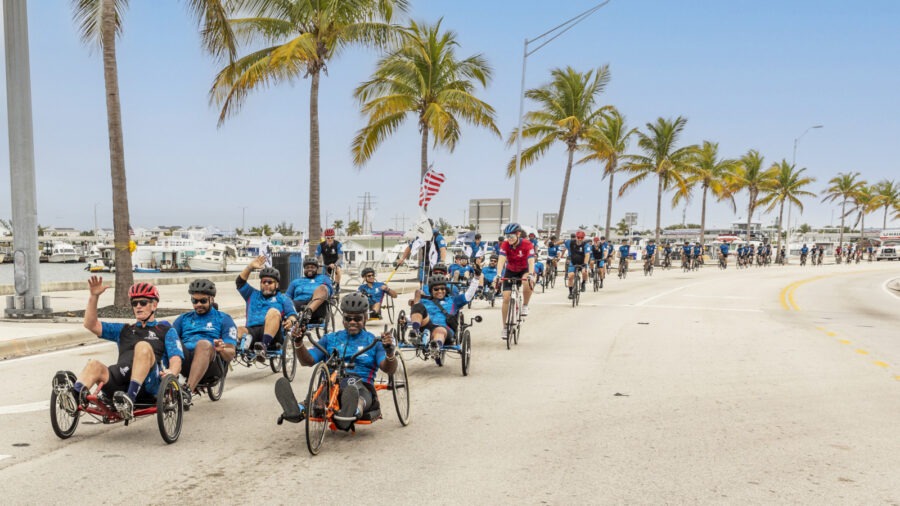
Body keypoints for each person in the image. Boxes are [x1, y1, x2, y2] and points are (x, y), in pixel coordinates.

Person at [55, 278, 184, 421]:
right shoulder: (124, 330)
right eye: (135, 303)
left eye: (143, 303)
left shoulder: (165, 329)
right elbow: (90, 324)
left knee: (142, 346)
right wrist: (94, 296)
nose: (138, 306)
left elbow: (176, 358)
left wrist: (171, 372)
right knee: (94, 364)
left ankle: (130, 398)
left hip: (148, 385)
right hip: (120, 382)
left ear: (154, 305)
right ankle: (74, 397)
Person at [275, 293, 397, 429]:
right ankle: (297, 410)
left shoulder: (374, 342)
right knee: (319, 396)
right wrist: (298, 342)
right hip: (331, 386)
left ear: (366, 318)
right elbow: (308, 361)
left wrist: (390, 352)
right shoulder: (330, 339)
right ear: (343, 318)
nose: (352, 322)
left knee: (357, 394)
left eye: (357, 319)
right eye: (348, 318)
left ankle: (351, 412)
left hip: (361, 386)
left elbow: (389, 369)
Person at [172, 279, 237, 407]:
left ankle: (187, 392)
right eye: (195, 301)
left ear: (212, 299)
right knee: (169, 337)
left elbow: (231, 353)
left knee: (204, 344)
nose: (198, 304)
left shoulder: (224, 319)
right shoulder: (183, 319)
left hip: (211, 365)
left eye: (203, 301)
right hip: (185, 360)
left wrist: (222, 349)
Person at [236, 255, 299, 361]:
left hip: (273, 334)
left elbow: (293, 315)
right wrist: (250, 267)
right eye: (263, 282)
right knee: (237, 330)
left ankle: (263, 347)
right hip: (252, 331)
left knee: (273, 311)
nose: (266, 284)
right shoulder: (252, 294)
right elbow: (240, 282)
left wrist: (290, 321)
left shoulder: (283, 299)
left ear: (277, 285)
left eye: (270, 282)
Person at [408, 274, 480, 365]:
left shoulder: (453, 300)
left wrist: (476, 278)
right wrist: (405, 320)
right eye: (436, 289)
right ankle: (415, 333)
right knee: (417, 306)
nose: (440, 291)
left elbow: (468, 295)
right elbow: (416, 314)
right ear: (431, 290)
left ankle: (436, 347)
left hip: (444, 328)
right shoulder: (425, 300)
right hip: (426, 325)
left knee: (440, 330)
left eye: (443, 289)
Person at [494, 223, 535, 339]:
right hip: (511, 270)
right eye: (507, 236)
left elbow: (531, 260)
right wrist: (498, 274)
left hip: (524, 269)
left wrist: (531, 274)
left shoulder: (527, 244)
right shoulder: (505, 244)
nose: (509, 239)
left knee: (527, 281)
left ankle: (525, 305)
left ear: (518, 234)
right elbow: (501, 260)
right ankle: (505, 327)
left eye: (511, 236)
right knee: (506, 298)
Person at [394, 219, 447, 285]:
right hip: (425, 262)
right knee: (422, 281)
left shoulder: (437, 236)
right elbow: (410, 247)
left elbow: (443, 249)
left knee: (436, 282)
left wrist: (442, 261)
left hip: (436, 263)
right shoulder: (421, 236)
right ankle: (423, 291)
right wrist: (402, 258)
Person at [563, 231, 590, 298]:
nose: (580, 239)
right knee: (570, 276)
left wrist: (585, 264)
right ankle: (570, 293)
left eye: (581, 237)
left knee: (585, 272)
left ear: (583, 238)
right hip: (573, 262)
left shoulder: (586, 245)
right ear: (576, 237)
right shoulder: (571, 242)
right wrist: (554, 244)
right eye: (578, 237)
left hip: (582, 262)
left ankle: (583, 283)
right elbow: (562, 241)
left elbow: (587, 255)